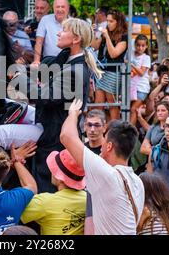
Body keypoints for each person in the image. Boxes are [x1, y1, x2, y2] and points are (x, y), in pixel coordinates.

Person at [0, 18, 102, 193]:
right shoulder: (66, 58)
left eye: (63, 30)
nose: (58, 33)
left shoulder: (75, 71)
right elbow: (42, 72)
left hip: (51, 130)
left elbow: (41, 96)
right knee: (9, 104)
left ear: (76, 39)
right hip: (47, 116)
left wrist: (17, 75)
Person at [60, 99, 144, 235]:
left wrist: (73, 114)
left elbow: (66, 136)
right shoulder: (138, 181)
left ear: (109, 146)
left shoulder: (107, 174)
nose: (102, 143)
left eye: (105, 140)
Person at [20, 149, 86, 235]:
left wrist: (17, 162)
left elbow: (14, 211)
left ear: (59, 178)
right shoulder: (88, 199)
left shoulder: (45, 202)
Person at [92, 9, 128, 120]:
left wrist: (107, 37)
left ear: (118, 22)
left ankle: (115, 130)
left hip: (113, 72)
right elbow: (95, 46)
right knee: (98, 104)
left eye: (111, 21)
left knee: (112, 103)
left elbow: (113, 54)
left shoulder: (123, 37)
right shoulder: (106, 32)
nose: (108, 23)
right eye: (107, 21)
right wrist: (92, 32)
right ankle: (98, 127)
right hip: (101, 71)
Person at [32, 0, 70, 65]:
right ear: (53, 8)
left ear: (68, 8)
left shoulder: (73, 23)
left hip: (68, 62)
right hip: (49, 62)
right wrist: (36, 61)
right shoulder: (45, 20)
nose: (60, 9)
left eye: (62, 7)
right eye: (57, 7)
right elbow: (39, 42)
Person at [130, 34, 151, 126]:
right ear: (135, 45)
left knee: (133, 109)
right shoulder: (132, 55)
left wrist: (131, 64)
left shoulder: (146, 58)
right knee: (129, 109)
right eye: (138, 45)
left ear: (146, 46)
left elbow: (142, 72)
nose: (140, 48)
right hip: (132, 87)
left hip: (142, 88)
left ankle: (129, 131)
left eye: (143, 45)